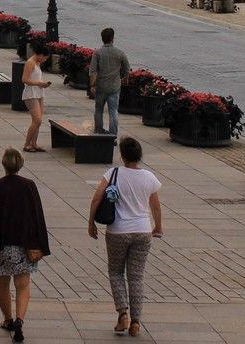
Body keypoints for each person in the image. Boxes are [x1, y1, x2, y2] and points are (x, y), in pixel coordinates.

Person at [88, 137, 163, 338]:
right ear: (139, 156)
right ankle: (136, 322)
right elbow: (155, 205)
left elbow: (97, 198)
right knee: (137, 277)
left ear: (122, 155)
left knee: (115, 273)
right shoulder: (149, 177)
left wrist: (91, 223)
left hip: (117, 231)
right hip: (142, 231)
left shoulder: (113, 173)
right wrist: (158, 226)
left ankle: (123, 314)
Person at [0, 148, 51, 343]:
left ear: (4, 164)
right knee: (23, 284)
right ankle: (20, 319)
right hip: (23, 244)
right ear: (20, 164)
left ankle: (7, 319)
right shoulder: (29, 186)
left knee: (2, 282)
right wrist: (41, 244)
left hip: (0, 245)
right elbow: (37, 216)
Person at [88, 28, 130, 136]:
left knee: (98, 109)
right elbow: (126, 68)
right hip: (114, 87)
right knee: (113, 111)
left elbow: (93, 71)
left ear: (102, 39)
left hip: (101, 86)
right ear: (113, 38)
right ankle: (113, 135)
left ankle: (98, 131)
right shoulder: (120, 53)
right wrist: (125, 79)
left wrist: (92, 85)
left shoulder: (97, 53)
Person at [20, 40, 52, 152]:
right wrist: (39, 83)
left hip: (38, 92)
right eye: (45, 58)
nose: (45, 60)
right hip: (31, 94)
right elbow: (24, 79)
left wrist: (43, 84)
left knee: (38, 120)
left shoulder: (37, 63)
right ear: (41, 55)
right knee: (37, 120)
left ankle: (34, 143)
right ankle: (26, 144)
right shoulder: (30, 62)